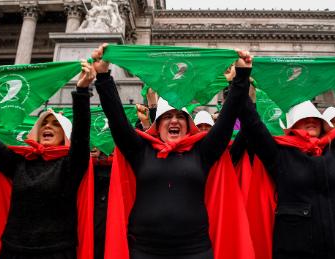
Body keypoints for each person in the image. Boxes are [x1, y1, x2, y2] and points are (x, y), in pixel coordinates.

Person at [92, 44, 254, 259]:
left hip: (195, 251)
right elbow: (116, 118)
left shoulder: (202, 152)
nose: (174, 120)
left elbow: (228, 117)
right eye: (167, 117)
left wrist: (242, 75)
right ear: (157, 125)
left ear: (188, 125)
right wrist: (103, 76)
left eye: (180, 116)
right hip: (144, 251)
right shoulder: (141, 151)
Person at [237, 55, 335, 259]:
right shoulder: (279, 155)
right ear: (291, 126)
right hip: (297, 249)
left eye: (314, 117)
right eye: (303, 118)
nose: (310, 121)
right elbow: (252, 124)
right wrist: (242, 79)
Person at [0, 61, 93, 259]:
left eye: (55, 124)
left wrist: (82, 91)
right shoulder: (20, 163)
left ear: (65, 135)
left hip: (56, 253)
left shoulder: (70, 165)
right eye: (43, 123)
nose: (47, 127)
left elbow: (82, 137)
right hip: (12, 251)